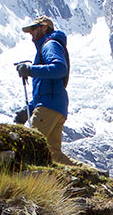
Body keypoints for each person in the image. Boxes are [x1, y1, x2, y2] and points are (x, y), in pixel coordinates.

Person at [18, 16, 72, 164]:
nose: (31, 33)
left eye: (34, 28)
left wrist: (30, 70)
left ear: (44, 27)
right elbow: (45, 87)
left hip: (48, 106)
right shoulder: (50, 45)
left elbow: (60, 68)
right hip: (57, 106)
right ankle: (95, 176)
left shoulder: (49, 45)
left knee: (32, 147)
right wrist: (28, 110)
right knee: (54, 154)